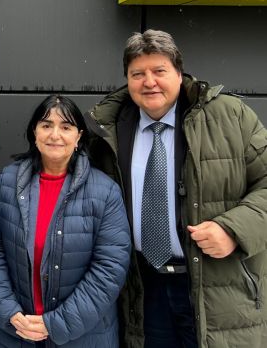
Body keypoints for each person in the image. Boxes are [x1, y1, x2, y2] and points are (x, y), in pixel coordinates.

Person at [86, 29, 267, 348]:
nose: (149, 82)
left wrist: (234, 230)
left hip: (218, 288)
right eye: (138, 74)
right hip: (143, 290)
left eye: (159, 71)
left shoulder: (231, 117)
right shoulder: (105, 132)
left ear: (179, 74)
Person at [0, 95, 131, 347]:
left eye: (66, 127)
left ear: (79, 136)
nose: (55, 135)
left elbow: (109, 269)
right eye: (46, 125)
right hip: (13, 333)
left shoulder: (105, 192)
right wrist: (9, 312)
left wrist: (56, 324)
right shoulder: (8, 181)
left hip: (82, 337)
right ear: (34, 132)